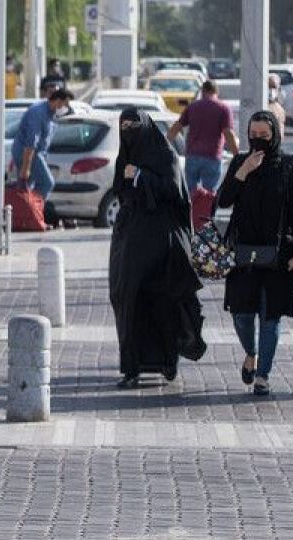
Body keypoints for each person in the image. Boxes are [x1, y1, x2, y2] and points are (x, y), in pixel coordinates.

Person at [109, 108, 207, 388]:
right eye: (124, 126)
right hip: (130, 242)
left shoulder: (166, 156)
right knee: (127, 299)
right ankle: (131, 366)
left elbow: (174, 192)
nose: (128, 131)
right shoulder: (124, 157)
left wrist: (141, 176)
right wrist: (130, 181)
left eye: (133, 125)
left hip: (163, 243)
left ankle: (167, 361)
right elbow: (120, 190)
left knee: (164, 302)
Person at [217, 110, 293, 396]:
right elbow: (223, 200)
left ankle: (263, 375)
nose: (258, 141)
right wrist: (243, 172)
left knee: (271, 318)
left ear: (275, 136)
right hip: (243, 252)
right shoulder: (239, 162)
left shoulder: (289, 166)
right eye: (253, 136)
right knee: (241, 315)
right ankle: (251, 353)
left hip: (279, 253)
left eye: (264, 137)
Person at [167, 80, 239, 194]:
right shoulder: (223, 108)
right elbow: (228, 133)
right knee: (210, 193)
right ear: (217, 92)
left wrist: (165, 144)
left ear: (203, 91)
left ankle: (191, 211)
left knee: (190, 192)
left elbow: (176, 127)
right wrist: (237, 155)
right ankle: (207, 212)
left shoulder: (193, 107)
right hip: (212, 156)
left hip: (192, 155)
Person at [11, 88, 74, 201]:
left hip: (35, 154)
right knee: (47, 183)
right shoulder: (38, 113)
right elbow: (30, 143)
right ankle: (34, 210)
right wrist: (26, 169)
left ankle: (26, 212)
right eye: (66, 104)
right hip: (28, 153)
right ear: (58, 101)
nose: (67, 107)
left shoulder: (52, 114)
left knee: (26, 188)